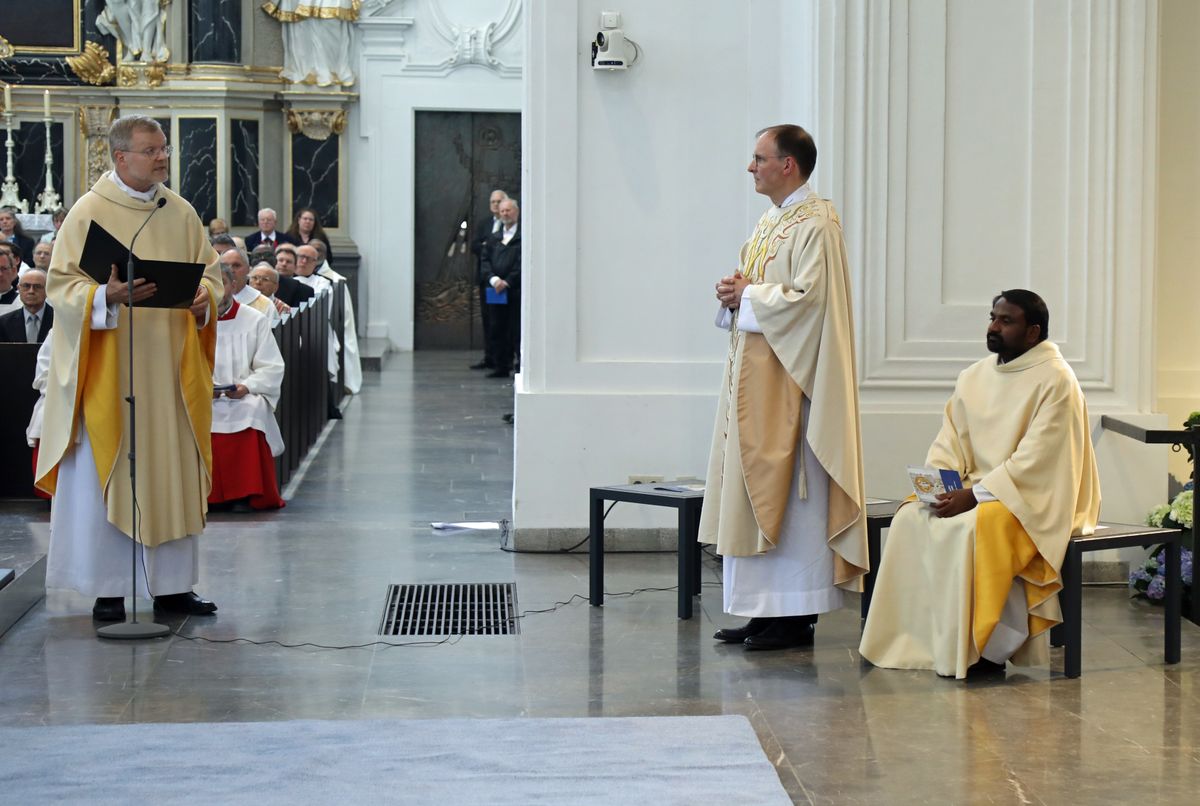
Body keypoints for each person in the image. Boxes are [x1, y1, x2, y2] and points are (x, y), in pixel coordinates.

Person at [37, 114, 223, 622]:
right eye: (151, 150)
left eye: (163, 149)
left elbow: (211, 273)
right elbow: (61, 286)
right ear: (121, 158)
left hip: (168, 376)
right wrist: (104, 297)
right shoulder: (88, 213)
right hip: (111, 374)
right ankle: (110, 589)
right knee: (114, 469)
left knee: (169, 471)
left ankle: (172, 587)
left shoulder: (179, 212)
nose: (163, 157)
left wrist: (206, 296)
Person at [859, 291, 1101, 679]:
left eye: (1006, 321)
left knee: (981, 526)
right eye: (992, 317)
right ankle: (922, 641)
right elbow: (952, 439)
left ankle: (985, 648)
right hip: (979, 489)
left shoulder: (1057, 380)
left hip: (1034, 497)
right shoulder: (974, 376)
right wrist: (940, 483)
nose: (993, 327)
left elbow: (1038, 460)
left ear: (1033, 331)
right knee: (910, 518)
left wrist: (974, 495)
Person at [700, 124, 867, 651]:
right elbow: (765, 293)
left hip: (792, 389)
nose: (750, 167)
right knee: (751, 493)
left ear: (788, 164)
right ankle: (762, 611)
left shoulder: (817, 225)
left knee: (793, 503)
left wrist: (752, 295)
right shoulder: (773, 221)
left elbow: (811, 305)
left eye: (758, 158)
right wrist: (734, 294)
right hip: (756, 383)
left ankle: (795, 616)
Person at [209, 263, 286, 511]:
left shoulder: (254, 320)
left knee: (251, 411)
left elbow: (271, 366)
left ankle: (248, 492)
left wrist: (246, 386)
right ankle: (208, 495)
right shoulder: (192, 320)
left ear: (233, 285)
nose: (216, 288)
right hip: (203, 395)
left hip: (243, 393)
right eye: (210, 282)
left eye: (221, 281)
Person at [310, 238, 361, 394]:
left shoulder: (335, 280)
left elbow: (344, 314)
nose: (315, 253)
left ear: (324, 254)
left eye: (318, 250)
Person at [480, 198, 521, 379]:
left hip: (515, 291)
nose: (505, 214)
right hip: (496, 292)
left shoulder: (522, 237)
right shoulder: (493, 238)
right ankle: (500, 366)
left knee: (516, 329)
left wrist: (508, 281)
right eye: (502, 211)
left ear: (516, 212)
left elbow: (522, 264)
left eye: (509, 210)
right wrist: (494, 280)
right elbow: (485, 261)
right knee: (497, 328)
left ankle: (520, 364)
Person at [470, 189, 507, 371]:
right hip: (486, 279)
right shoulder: (484, 224)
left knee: (503, 320)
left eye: (499, 201)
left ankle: (504, 359)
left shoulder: (510, 225)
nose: (495, 205)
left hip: (504, 280)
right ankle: (489, 356)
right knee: (488, 319)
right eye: (493, 201)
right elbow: (475, 245)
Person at [220, 246, 276, 321]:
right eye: (226, 266)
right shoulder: (210, 301)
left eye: (236, 265)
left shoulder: (265, 305)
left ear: (248, 270)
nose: (230, 270)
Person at [0, 268, 52, 343]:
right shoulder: (3, 323)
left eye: (37, 286)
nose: (31, 291)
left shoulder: (59, 321)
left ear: (47, 290)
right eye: (26, 286)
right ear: (19, 289)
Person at [272, 243, 315, 308]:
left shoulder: (304, 291)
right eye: (280, 260)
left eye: (288, 261)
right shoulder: (266, 284)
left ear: (295, 266)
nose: (284, 264)